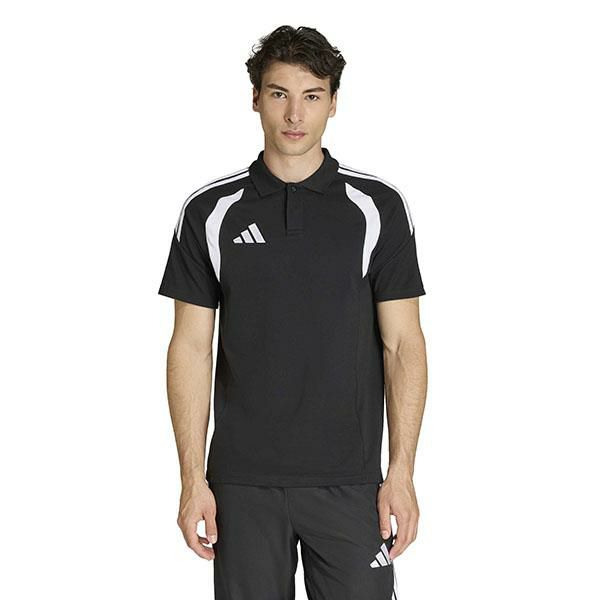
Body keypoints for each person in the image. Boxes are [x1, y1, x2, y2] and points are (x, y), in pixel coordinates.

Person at [158, 24, 428, 600]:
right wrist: (192, 480)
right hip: (242, 485)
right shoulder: (211, 211)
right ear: (256, 98)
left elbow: (403, 345)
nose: (295, 114)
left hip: (351, 482)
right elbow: (190, 347)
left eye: (312, 95)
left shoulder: (376, 208)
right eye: (279, 93)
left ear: (333, 102)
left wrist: (401, 473)